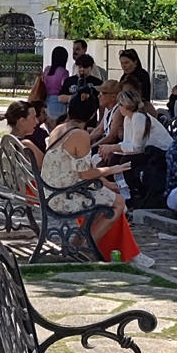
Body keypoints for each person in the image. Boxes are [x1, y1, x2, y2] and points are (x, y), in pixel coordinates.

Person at [43, 91, 151, 266]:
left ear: (70, 109)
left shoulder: (59, 129)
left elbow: (80, 170)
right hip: (63, 195)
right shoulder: (80, 135)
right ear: (93, 114)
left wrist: (105, 181)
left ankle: (76, 244)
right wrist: (111, 169)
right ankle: (86, 247)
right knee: (118, 202)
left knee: (102, 196)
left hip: (52, 190)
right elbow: (86, 174)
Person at [34, 46, 71, 122]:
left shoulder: (47, 70)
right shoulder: (64, 72)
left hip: (47, 100)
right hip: (59, 101)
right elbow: (65, 87)